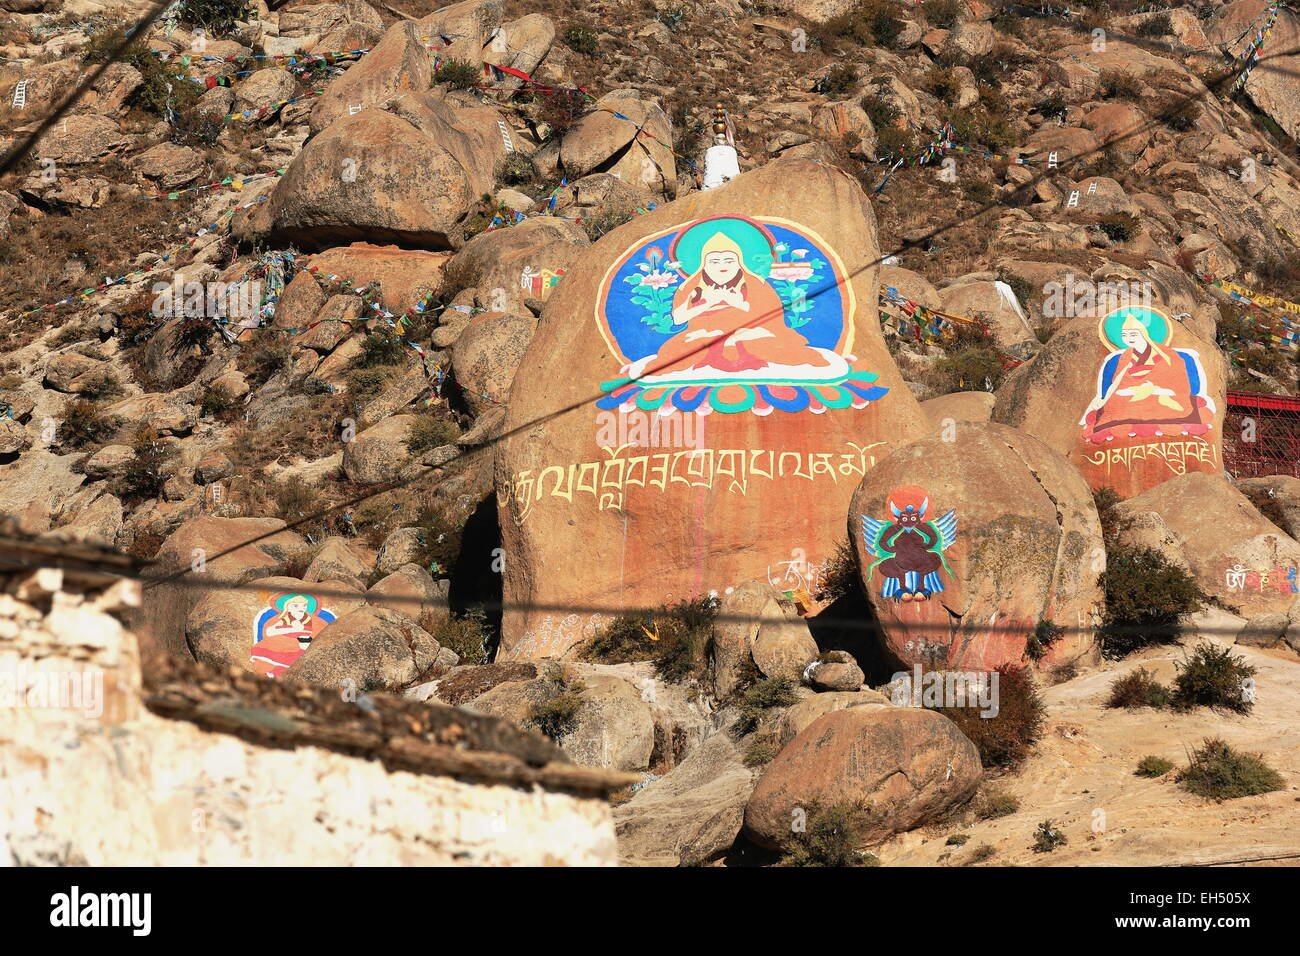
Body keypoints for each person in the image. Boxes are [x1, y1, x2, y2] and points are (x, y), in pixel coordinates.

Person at [643, 232, 831, 376]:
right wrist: (708, 302)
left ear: (739, 262)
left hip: (753, 334)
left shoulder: (756, 284)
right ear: (704, 264)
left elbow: (773, 318)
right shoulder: (692, 287)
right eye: (714, 261)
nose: (722, 265)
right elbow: (678, 319)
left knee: (771, 343)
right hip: (703, 336)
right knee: (678, 350)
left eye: (729, 260)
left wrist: (740, 304)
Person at [1080, 311, 1214, 443]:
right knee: (1117, 403)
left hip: (1165, 394)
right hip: (1133, 397)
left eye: (1133, 334)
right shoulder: (1125, 357)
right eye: (1124, 335)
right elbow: (1119, 383)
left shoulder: (1167, 355)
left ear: (1143, 334)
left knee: (1161, 402)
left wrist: (1156, 389)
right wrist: (1130, 390)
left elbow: (1178, 381)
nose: (1128, 338)